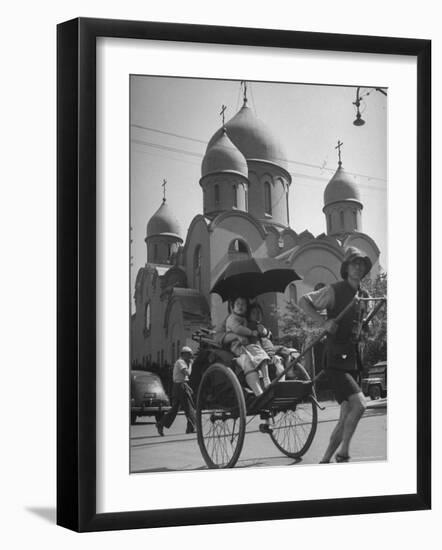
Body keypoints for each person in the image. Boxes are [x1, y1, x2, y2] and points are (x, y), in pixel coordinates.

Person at [298, 247, 372, 463]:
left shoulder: (365, 296)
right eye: (354, 263)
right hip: (335, 360)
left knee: (346, 414)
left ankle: (326, 459)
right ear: (346, 268)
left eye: (361, 264)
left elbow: (364, 327)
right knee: (360, 405)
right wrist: (324, 322)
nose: (358, 267)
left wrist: (366, 327)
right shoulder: (334, 290)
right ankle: (344, 452)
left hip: (353, 360)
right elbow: (304, 301)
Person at [224, 296, 271, 396]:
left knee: (267, 356)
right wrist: (251, 332)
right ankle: (259, 393)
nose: (241, 306)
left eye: (243, 304)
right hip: (238, 347)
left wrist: (263, 331)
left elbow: (264, 331)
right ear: (232, 307)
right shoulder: (232, 318)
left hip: (249, 346)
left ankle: (268, 383)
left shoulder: (246, 319)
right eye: (238, 304)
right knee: (249, 361)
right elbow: (237, 328)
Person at [156, 346, 196, 436]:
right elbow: (187, 373)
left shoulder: (182, 362)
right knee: (189, 407)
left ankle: (161, 424)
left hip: (179, 386)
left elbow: (185, 378)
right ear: (184, 354)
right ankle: (191, 426)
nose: (190, 357)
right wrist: (191, 365)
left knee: (175, 409)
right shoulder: (181, 362)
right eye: (189, 354)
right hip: (180, 387)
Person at [247, 303, 285, 381]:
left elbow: (269, 336)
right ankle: (280, 384)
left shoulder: (262, 326)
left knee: (284, 354)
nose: (257, 315)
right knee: (278, 364)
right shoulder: (250, 326)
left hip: (271, 351)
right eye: (253, 313)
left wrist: (265, 331)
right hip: (263, 354)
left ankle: (286, 378)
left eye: (259, 313)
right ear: (249, 316)